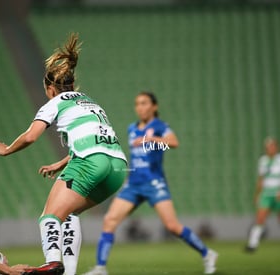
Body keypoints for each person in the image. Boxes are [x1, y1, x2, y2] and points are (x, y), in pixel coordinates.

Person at [0, 33, 127, 275]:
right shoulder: (91, 102)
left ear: (50, 88)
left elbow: (31, 136)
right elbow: (97, 141)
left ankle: (53, 263)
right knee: (69, 213)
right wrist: (62, 163)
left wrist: (8, 149)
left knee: (49, 217)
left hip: (90, 162)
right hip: (117, 167)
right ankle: (69, 273)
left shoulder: (56, 102)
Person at [83, 92, 218, 275]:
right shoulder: (132, 128)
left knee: (172, 226)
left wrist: (151, 140)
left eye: (144, 103)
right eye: (137, 103)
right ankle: (100, 268)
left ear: (154, 106)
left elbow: (173, 142)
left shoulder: (160, 126)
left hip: (154, 183)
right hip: (133, 184)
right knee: (109, 220)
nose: (140, 107)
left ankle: (207, 253)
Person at [246, 137, 280, 251]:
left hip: (278, 193)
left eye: (273, 146)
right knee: (260, 218)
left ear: (276, 147)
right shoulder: (263, 160)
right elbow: (261, 179)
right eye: (269, 146)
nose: (271, 148)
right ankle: (252, 244)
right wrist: (257, 194)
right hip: (266, 193)